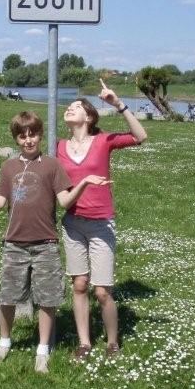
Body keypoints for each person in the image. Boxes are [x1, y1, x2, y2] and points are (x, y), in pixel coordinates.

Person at [0, 111, 108, 373]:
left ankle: (42, 350)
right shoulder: (8, 167)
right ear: (16, 139)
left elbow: (64, 201)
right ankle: (4, 342)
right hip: (14, 244)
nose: (28, 140)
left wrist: (84, 182)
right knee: (8, 296)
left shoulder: (52, 165)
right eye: (22, 136)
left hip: (46, 245)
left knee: (48, 298)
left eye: (33, 134)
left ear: (40, 135)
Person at [57, 79, 148, 360]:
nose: (69, 110)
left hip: (100, 223)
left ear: (89, 116)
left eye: (76, 107)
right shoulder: (59, 146)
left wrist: (119, 105)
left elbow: (140, 136)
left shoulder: (103, 140)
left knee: (103, 291)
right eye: (68, 107)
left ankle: (112, 342)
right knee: (79, 284)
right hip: (72, 224)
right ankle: (84, 343)